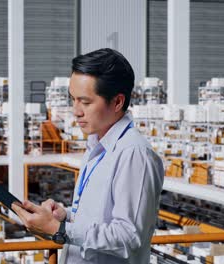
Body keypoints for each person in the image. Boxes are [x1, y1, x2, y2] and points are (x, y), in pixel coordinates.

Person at [12, 48, 164, 263]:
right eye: (73, 99)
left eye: (85, 102)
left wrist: (60, 229)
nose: (76, 111)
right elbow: (99, 220)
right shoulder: (96, 146)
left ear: (117, 102)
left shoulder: (133, 154)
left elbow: (128, 237)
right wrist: (64, 217)